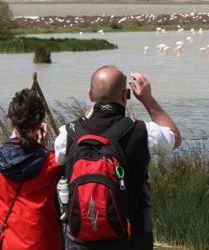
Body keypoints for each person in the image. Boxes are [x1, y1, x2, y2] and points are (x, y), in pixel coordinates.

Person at [55, 65, 182, 249]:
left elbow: (59, 161)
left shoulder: (68, 134)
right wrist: (148, 99)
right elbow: (175, 137)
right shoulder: (140, 131)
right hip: (131, 237)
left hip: (81, 238)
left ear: (90, 95)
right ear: (125, 96)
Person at [0, 88, 62, 250]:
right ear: (40, 122)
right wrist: (43, 148)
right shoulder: (51, 161)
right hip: (44, 241)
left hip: (9, 241)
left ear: (11, 119)